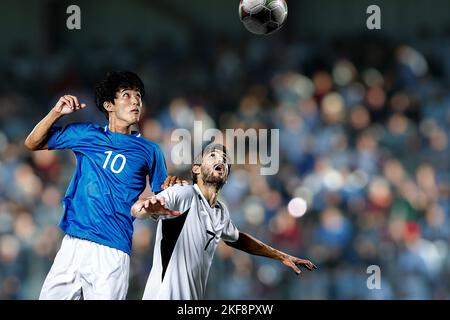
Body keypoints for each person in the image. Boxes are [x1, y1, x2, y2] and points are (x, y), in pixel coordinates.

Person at [24, 70, 180, 300]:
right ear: (109, 105)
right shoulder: (86, 134)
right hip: (73, 245)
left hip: (112, 250)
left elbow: (161, 200)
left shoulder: (150, 151)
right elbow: (32, 143)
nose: (136, 100)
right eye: (126, 95)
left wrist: (164, 201)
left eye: (138, 95)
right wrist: (56, 113)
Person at [131, 143, 317, 300]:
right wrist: (143, 209)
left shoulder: (220, 212)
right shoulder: (184, 193)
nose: (221, 160)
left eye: (225, 160)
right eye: (212, 156)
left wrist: (281, 256)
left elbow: (238, 239)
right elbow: (141, 209)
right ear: (196, 168)